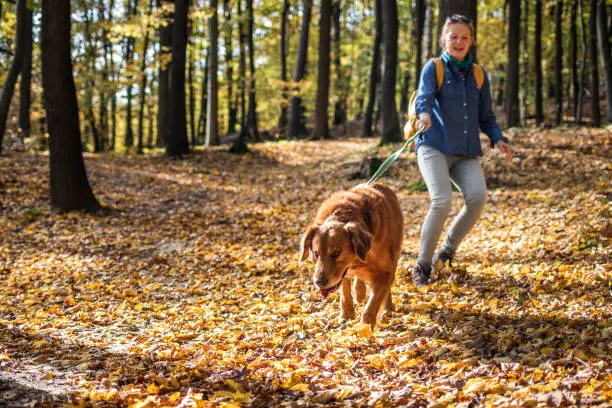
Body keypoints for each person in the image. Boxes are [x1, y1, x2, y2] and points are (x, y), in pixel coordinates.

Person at [412, 14, 512, 287]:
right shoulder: (434, 67)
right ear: (444, 39)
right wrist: (424, 114)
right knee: (442, 200)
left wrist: (497, 138)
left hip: (465, 152)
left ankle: (446, 252)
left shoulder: (479, 75)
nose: (458, 41)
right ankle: (422, 266)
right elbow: (425, 96)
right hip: (433, 146)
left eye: (464, 37)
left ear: (471, 41)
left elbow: (486, 116)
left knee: (477, 198)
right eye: (453, 36)